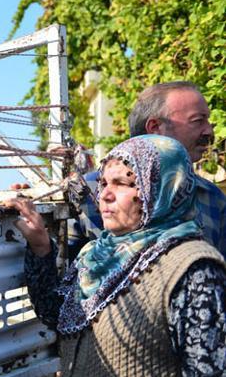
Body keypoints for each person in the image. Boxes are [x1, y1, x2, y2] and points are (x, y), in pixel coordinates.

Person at [4, 135, 226, 377]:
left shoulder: (191, 269)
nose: (104, 194)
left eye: (123, 183)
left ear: (164, 189)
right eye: (104, 183)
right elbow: (56, 313)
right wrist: (41, 246)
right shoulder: (98, 257)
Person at [71, 81, 225, 257]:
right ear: (155, 128)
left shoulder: (212, 197)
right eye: (198, 121)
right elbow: (59, 271)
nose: (209, 131)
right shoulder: (86, 193)